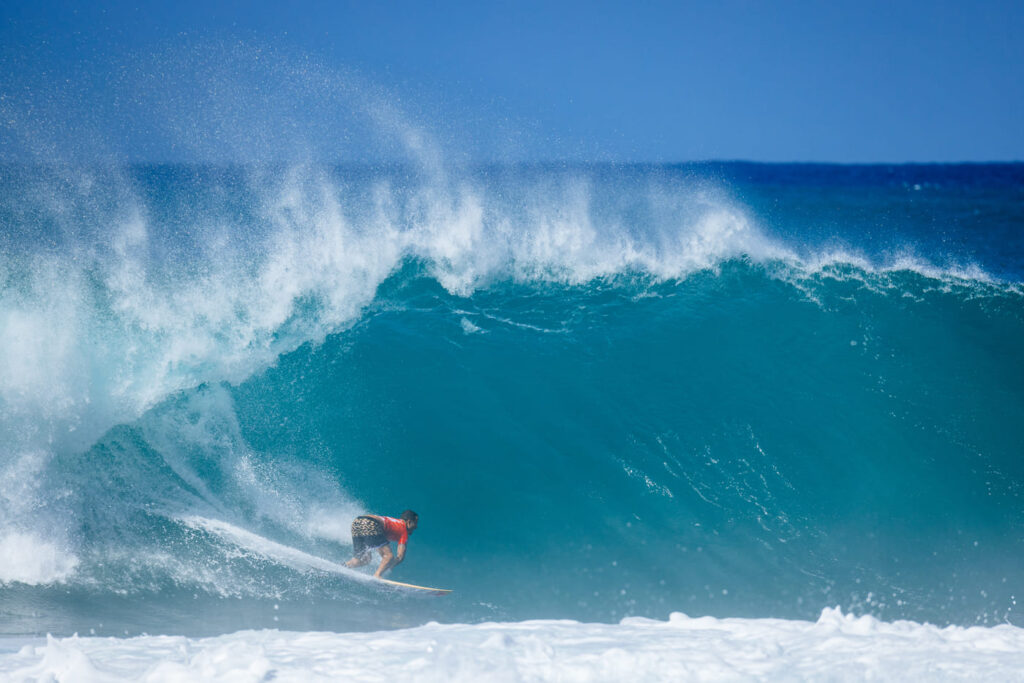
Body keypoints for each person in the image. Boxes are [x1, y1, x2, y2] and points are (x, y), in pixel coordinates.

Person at [344, 510, 418, 578]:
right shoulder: (403, 530)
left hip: (357, 522)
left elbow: (377, 542)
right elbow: (400, 556)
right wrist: (391, 564)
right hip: (370, 523)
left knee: (364, 559)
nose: (416, 527)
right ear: (408, 522)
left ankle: (343, 566)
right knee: (389, 556)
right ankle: (377, 575)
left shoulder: (395, 522)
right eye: (415, 523)